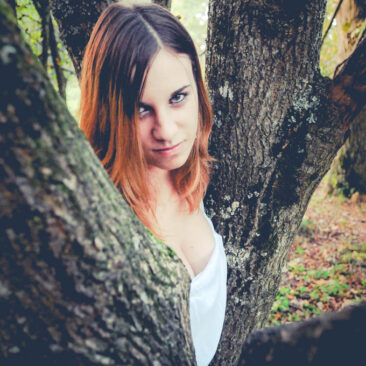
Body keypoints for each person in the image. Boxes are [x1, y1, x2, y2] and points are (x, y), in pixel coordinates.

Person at [78, 2, 227, 365]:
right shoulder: (96, 214)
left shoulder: (193, 178)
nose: (166, 131)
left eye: (178, 97)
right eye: (141, 108)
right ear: (108, 110)